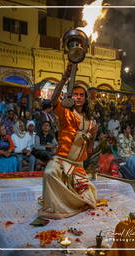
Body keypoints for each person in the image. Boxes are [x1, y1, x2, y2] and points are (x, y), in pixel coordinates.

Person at [38, 84, 98, 220]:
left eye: (81, 95)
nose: (78, 97)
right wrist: (64, 79)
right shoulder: (66, 113)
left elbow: (89, 149)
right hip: (62, 159)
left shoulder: (90, 121)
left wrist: (92, 137)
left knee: (88, 198)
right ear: (71, 97)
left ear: (85, 98)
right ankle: (57, 207)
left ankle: (69, 202)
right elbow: (53, 100)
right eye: (75, 94)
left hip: (78, 164)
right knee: (49, 173)